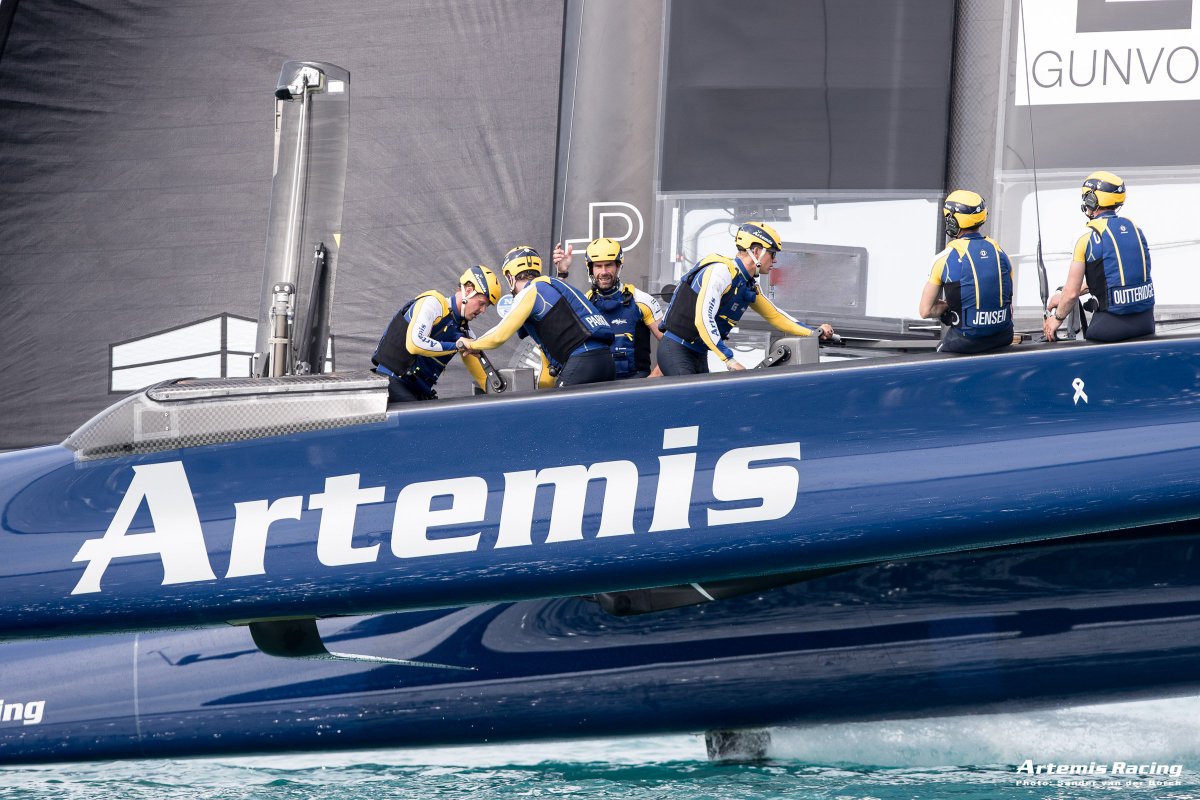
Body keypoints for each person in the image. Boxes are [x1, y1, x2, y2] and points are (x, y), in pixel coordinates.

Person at [657, 221, 834, 375]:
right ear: (757, 252)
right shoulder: (721, 272)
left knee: (705, 407)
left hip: (699, 353)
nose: (775, 260)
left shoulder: (747, 284)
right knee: (691, 402)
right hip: (676, 348)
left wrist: (813, 333)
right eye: (772, 253)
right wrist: (729, 360)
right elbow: (703, 319)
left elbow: (775, 316)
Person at [457, 246, 616, 387]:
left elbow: (499, 336)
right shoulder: (554, 284)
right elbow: (546, 349)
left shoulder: (531, 291)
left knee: (558, 418)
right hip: (606, 361)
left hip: (582, 361)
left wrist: (471, 344)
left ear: (510, 277)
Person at [1044, 171, 1154, 343]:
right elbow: (1111, 279)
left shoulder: (1086, 235)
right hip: (1146, 324)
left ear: (1092, 200)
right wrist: (1063, 295)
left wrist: (1056, 319)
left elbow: (1072, 293)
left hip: (1110, 328)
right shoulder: (1135, 230)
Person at [371, 265, 501, 403]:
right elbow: (414, 344)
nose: (483, 310)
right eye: (481, 303)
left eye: (486, 306)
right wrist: (458, 346)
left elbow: (483, 378)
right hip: (390, 382)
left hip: (417, 392)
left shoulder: (464, 333)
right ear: (468, 291)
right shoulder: (433, 303)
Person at [551, 237, 663, 379]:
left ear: (618, 266)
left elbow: (671, 345)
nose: (603, 272)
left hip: (635, 387)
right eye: (598, 266)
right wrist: (562, 273)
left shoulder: (642, 300)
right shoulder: (585, 303)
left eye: (608, 265)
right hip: (597, 387)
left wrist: (654, 377)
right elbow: (558, 324)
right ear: (590, 268)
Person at [919, 190, 1014, 354]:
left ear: (952, 220)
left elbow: (926, 311)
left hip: (965, 342)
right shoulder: (1001, 253)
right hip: (1003, 337)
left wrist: (951, 306)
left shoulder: (944, 259)